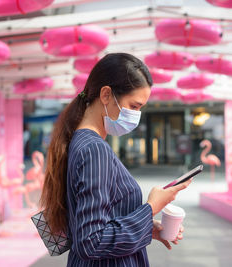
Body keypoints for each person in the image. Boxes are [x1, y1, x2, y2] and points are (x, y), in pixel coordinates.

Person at [40, 53, 192, 267]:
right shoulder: (94, 149)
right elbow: (91, 242)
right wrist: (150, 208)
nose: (136, 115)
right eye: (134, 106)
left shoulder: (80, 142)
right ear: (106, 95)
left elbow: (97, 222)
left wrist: (145, 228)